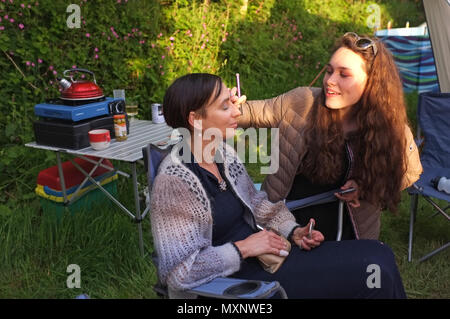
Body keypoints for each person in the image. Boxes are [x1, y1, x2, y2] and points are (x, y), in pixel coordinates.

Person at [150, 73, 407, 299]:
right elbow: (179, 273)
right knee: (374, 273)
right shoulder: (175, 182)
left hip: (268, 261)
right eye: (225, 106)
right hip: (235, 287)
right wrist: (246, 247)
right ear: (195, 119)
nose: (238, 112)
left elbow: (259, 205)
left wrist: (294, 231)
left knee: (378, 256)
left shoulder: (222, 156)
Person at [237, 32, 423, 241]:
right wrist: (226, 104)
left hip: (351, 233)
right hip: (289, 225)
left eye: (344, 75)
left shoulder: (390, 127)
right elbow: (251, 113)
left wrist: (366, 188)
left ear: (372, 84)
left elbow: (410, 171)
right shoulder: (302, 102)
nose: (330, 81)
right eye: (329, 71)